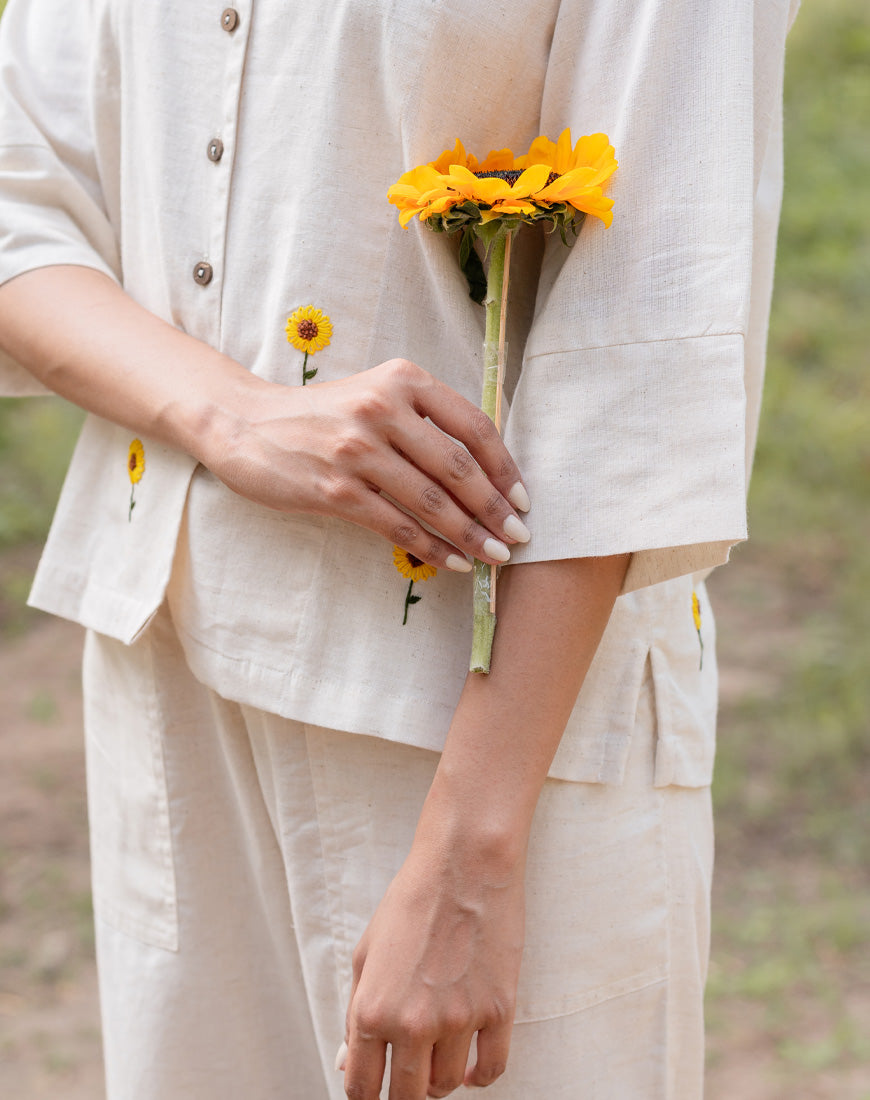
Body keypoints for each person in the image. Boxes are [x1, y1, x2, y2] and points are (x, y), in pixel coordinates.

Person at [0, 0, 800, 1097]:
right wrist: (231, 416)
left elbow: (649, 344)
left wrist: (474, 853)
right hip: (166, 667)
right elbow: (19, 192)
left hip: (487, 725)